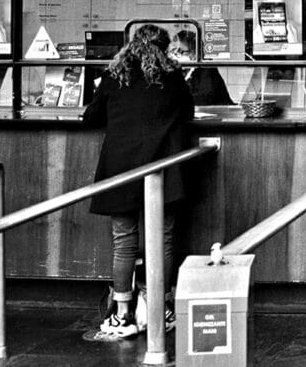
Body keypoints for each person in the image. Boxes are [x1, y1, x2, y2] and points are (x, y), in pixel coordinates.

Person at [81, 24, 194, 339]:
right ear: (163, 47)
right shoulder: (173, 80)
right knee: (163, 239)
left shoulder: (114, 78)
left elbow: (91, 116)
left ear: (131, 46)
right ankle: (163, 309)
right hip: (164, 167)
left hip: (122, 167)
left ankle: (122, 314)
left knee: (124, 240)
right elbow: (189, 112)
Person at [172, 30, 234, 105]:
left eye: (181, 51)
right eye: (174, 51)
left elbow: (206, 97)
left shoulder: (206, 67)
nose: (176, 55)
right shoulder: (184, 70)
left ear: (195, 52)